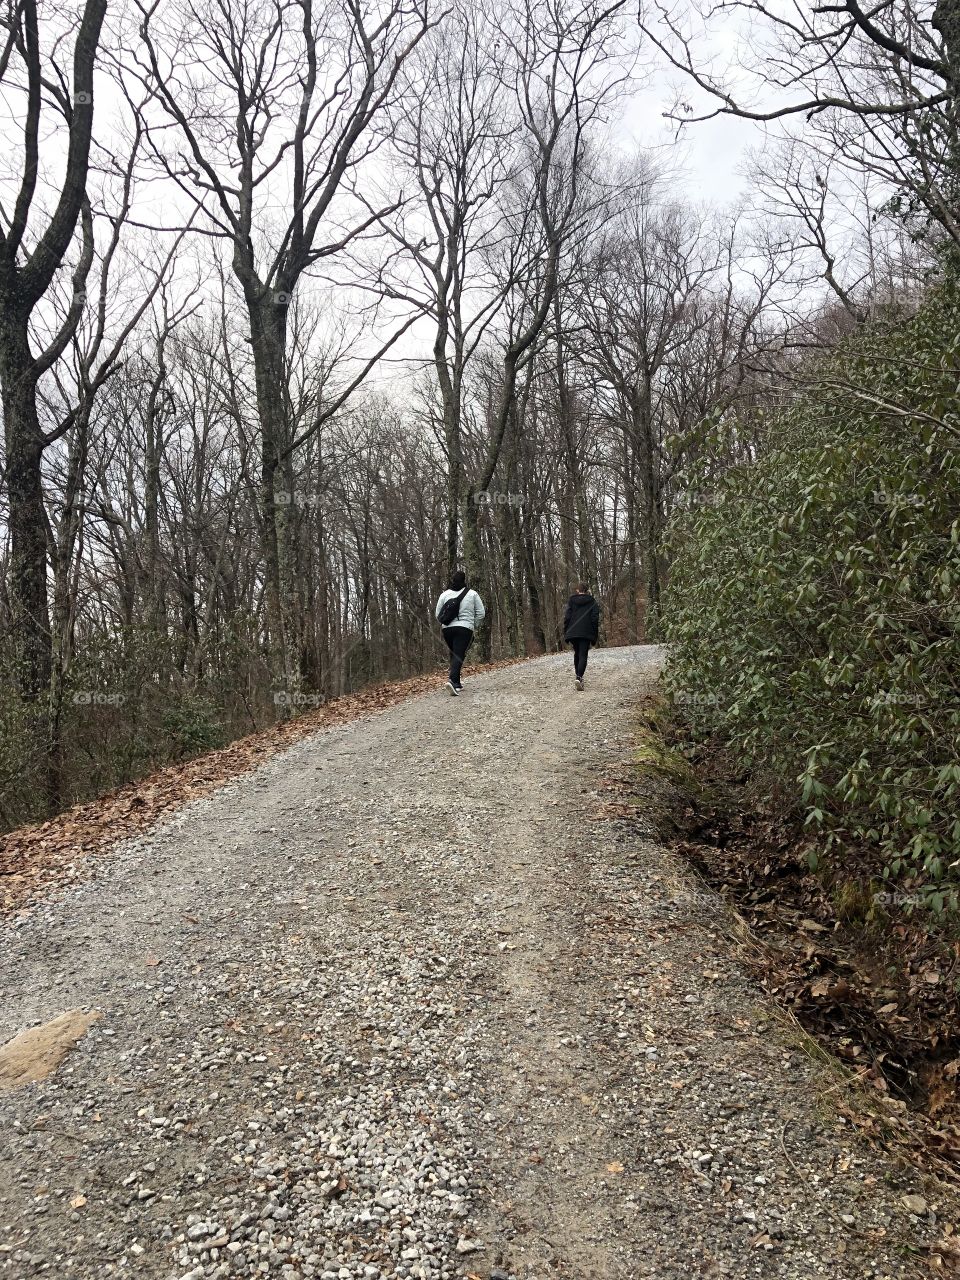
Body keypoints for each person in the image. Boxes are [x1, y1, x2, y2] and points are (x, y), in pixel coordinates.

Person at [435, 570, 486, 695]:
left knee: (455, 654)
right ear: (464, 580)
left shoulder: (444, 594)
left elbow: (438, 614)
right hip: (464, 628)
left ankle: (457, 683)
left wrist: (445, 624)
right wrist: (473, 625)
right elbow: (481, 613)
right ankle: (452, 681)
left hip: (447, 629)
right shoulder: (472, 594)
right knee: (459, 654)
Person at [563, 582, 600, 691]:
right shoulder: (592, 602)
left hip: (573, 631)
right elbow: (595, 618)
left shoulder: (571, 601)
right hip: (586, 632)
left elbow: (567, 617)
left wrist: (566, 631)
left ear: (577, 590)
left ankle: (578, 677)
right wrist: (594, 634)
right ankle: (579, 677)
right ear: (587, 590)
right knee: (583, 654)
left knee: (577, 653)